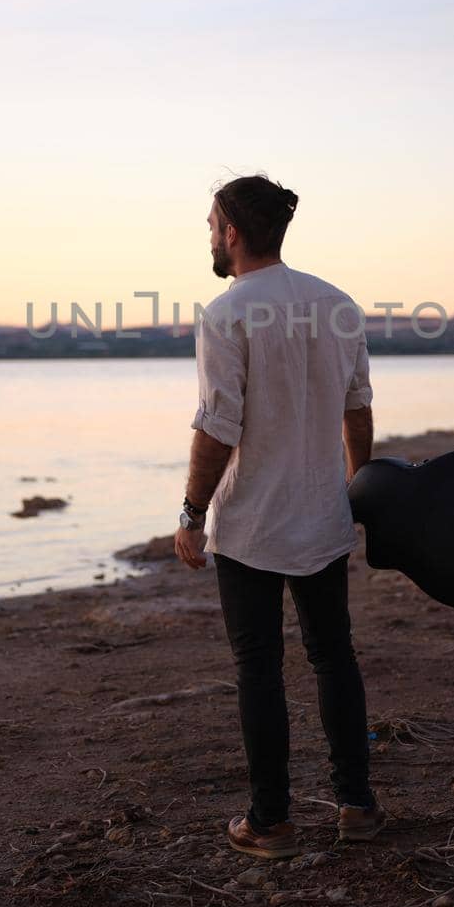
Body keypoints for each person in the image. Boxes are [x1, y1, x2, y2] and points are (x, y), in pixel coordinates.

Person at [173, 173, 388, 860]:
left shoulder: (226, 313)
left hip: (251, 526)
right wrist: (358, 487)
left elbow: (218, 427)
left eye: (212, 224)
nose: (209, 235)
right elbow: (358, 407)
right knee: (334, 657)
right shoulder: (339, 304)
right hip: (323, 516)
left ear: (232, 232)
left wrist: (190, 512)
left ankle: (271, 822)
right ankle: (356, 806)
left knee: (259, 669)